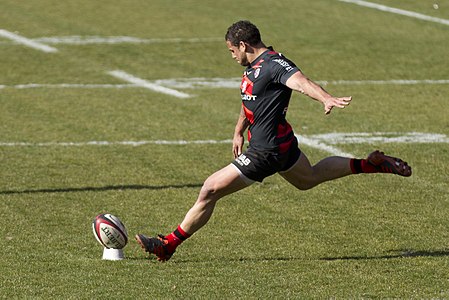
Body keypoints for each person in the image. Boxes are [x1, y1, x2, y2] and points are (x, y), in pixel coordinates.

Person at [135, 20, 412, 262]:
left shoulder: (275, 65)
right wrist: (238, 130)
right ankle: (370, 164)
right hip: (280, 145)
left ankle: (167, 245)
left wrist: (325, 97)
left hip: (265, 151)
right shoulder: (254, 67)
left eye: (232, 50)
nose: (232, 56)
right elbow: (251, 102)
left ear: (243, 45)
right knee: (309, 178)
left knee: (209, 189)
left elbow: (302, 82)